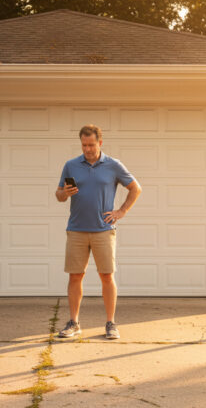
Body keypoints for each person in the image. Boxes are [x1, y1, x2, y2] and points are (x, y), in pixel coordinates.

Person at [55, 125, 141, 340]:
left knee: (106, 276)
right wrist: (64, 192)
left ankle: (111, 323)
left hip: (103, 230)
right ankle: (74, 322)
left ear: (100, 143)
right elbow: (59, 195)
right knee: (75, 276)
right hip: (76, 230)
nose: (88, 149)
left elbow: (135, 188)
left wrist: (121, 211)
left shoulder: (113, 165)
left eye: (91, 145)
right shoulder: (71, 165)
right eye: (84, 145)